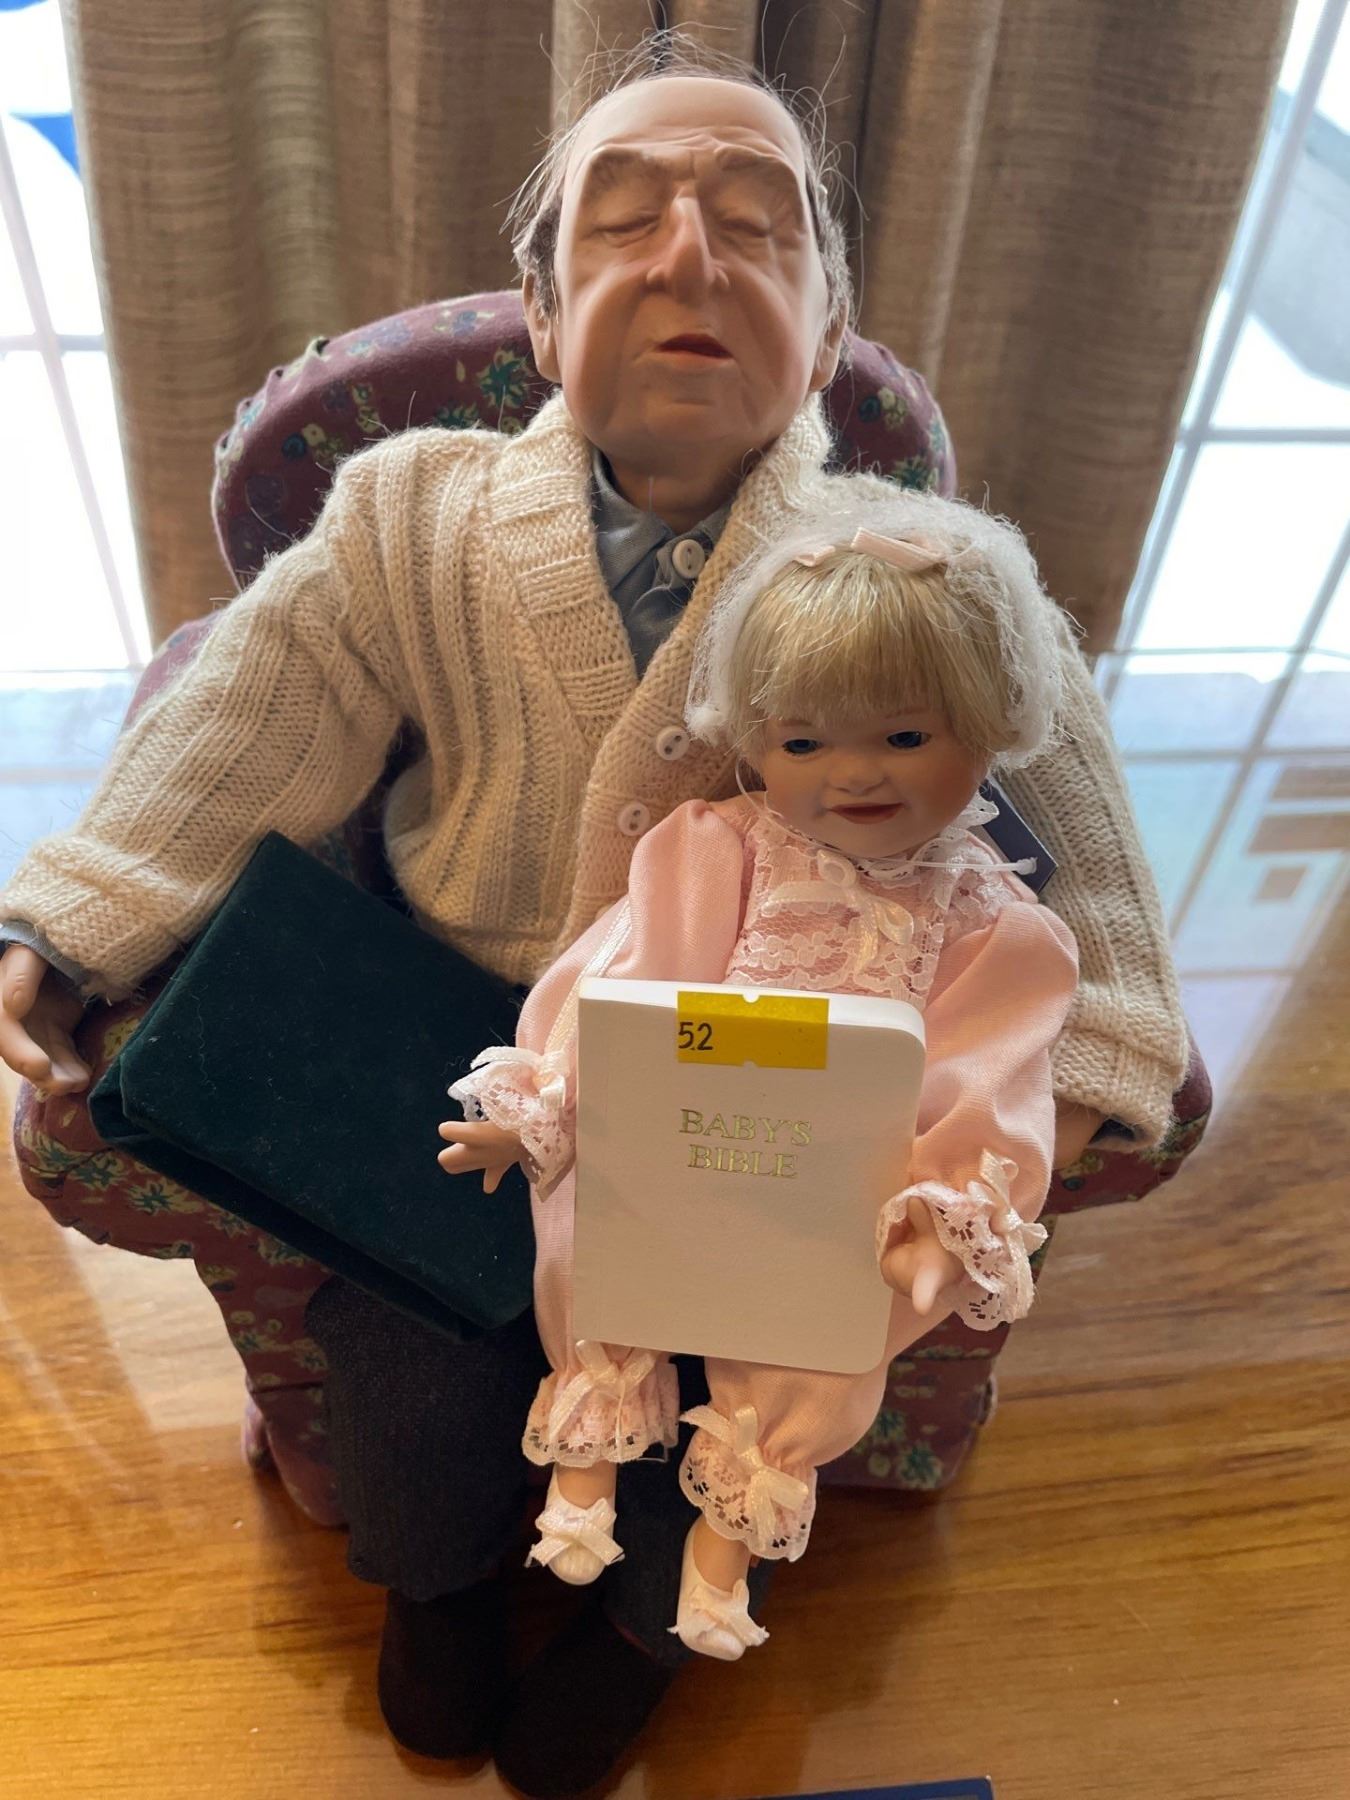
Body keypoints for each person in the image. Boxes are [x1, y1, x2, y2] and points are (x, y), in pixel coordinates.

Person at [0, 41, 1185, 1797]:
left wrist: (1056, 1084)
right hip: (485, 1058)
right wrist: (83, 911)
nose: (690, 254)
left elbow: (1085, 849)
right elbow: (251, 712)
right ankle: (437, 1577)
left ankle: (646, 1627)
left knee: (760, 1374)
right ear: (544, 321)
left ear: (828, 326)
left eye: (757, 227)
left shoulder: (923, 569)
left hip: (792, 1095)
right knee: (413, 1360)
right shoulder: (411, 515)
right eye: (624, 223)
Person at [438, 493, 1078, 1661]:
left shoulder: (996, 928)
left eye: (905, 737)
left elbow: (988, 1081)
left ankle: (727, 1540)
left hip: (837, 1187)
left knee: (829, 1323)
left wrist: (944, 1213)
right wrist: (544, 1108)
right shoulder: (715, 849)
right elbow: (622, 979)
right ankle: (586, 1456)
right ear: (754, 742)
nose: (853, 774)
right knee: (592, 1219)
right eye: (802, 742)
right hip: (674, 1136)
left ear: (989, 727)